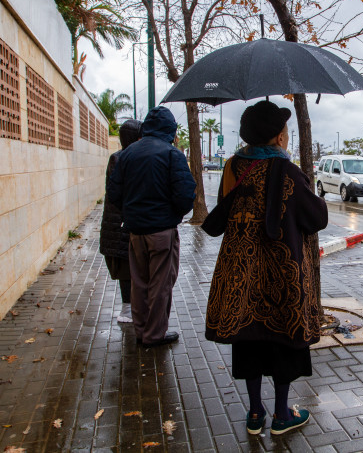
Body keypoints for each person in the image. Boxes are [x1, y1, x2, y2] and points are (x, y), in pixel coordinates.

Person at [205, 101, 328, 436]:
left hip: (241, 272)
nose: (287, 136)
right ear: (277, 136)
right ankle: (282, 415)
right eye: (284, 130)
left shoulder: (234, 166)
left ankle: (255, 413)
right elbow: (317, 218)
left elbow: (226, 209)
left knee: (250, 340)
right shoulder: (288, 172)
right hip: (282, 274)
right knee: (284, 340)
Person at [107, 106, 196, 348]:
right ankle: (154, 334)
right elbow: (186, 195)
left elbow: (113, 193)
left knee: (139, 282)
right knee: (161, 283)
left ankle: (141, 329)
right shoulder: (172, 154)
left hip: (135, 231)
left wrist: (131, 212)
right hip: (162, 232)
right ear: (170, 129)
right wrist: (172, 215)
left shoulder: (127, 154)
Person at [100, 119, 142, 323]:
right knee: (126, 265)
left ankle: (130, 306)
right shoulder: (122, 159)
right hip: (122, 222)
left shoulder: (118, 157)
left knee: (129, 264)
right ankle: (127, 308)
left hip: (120, 220)